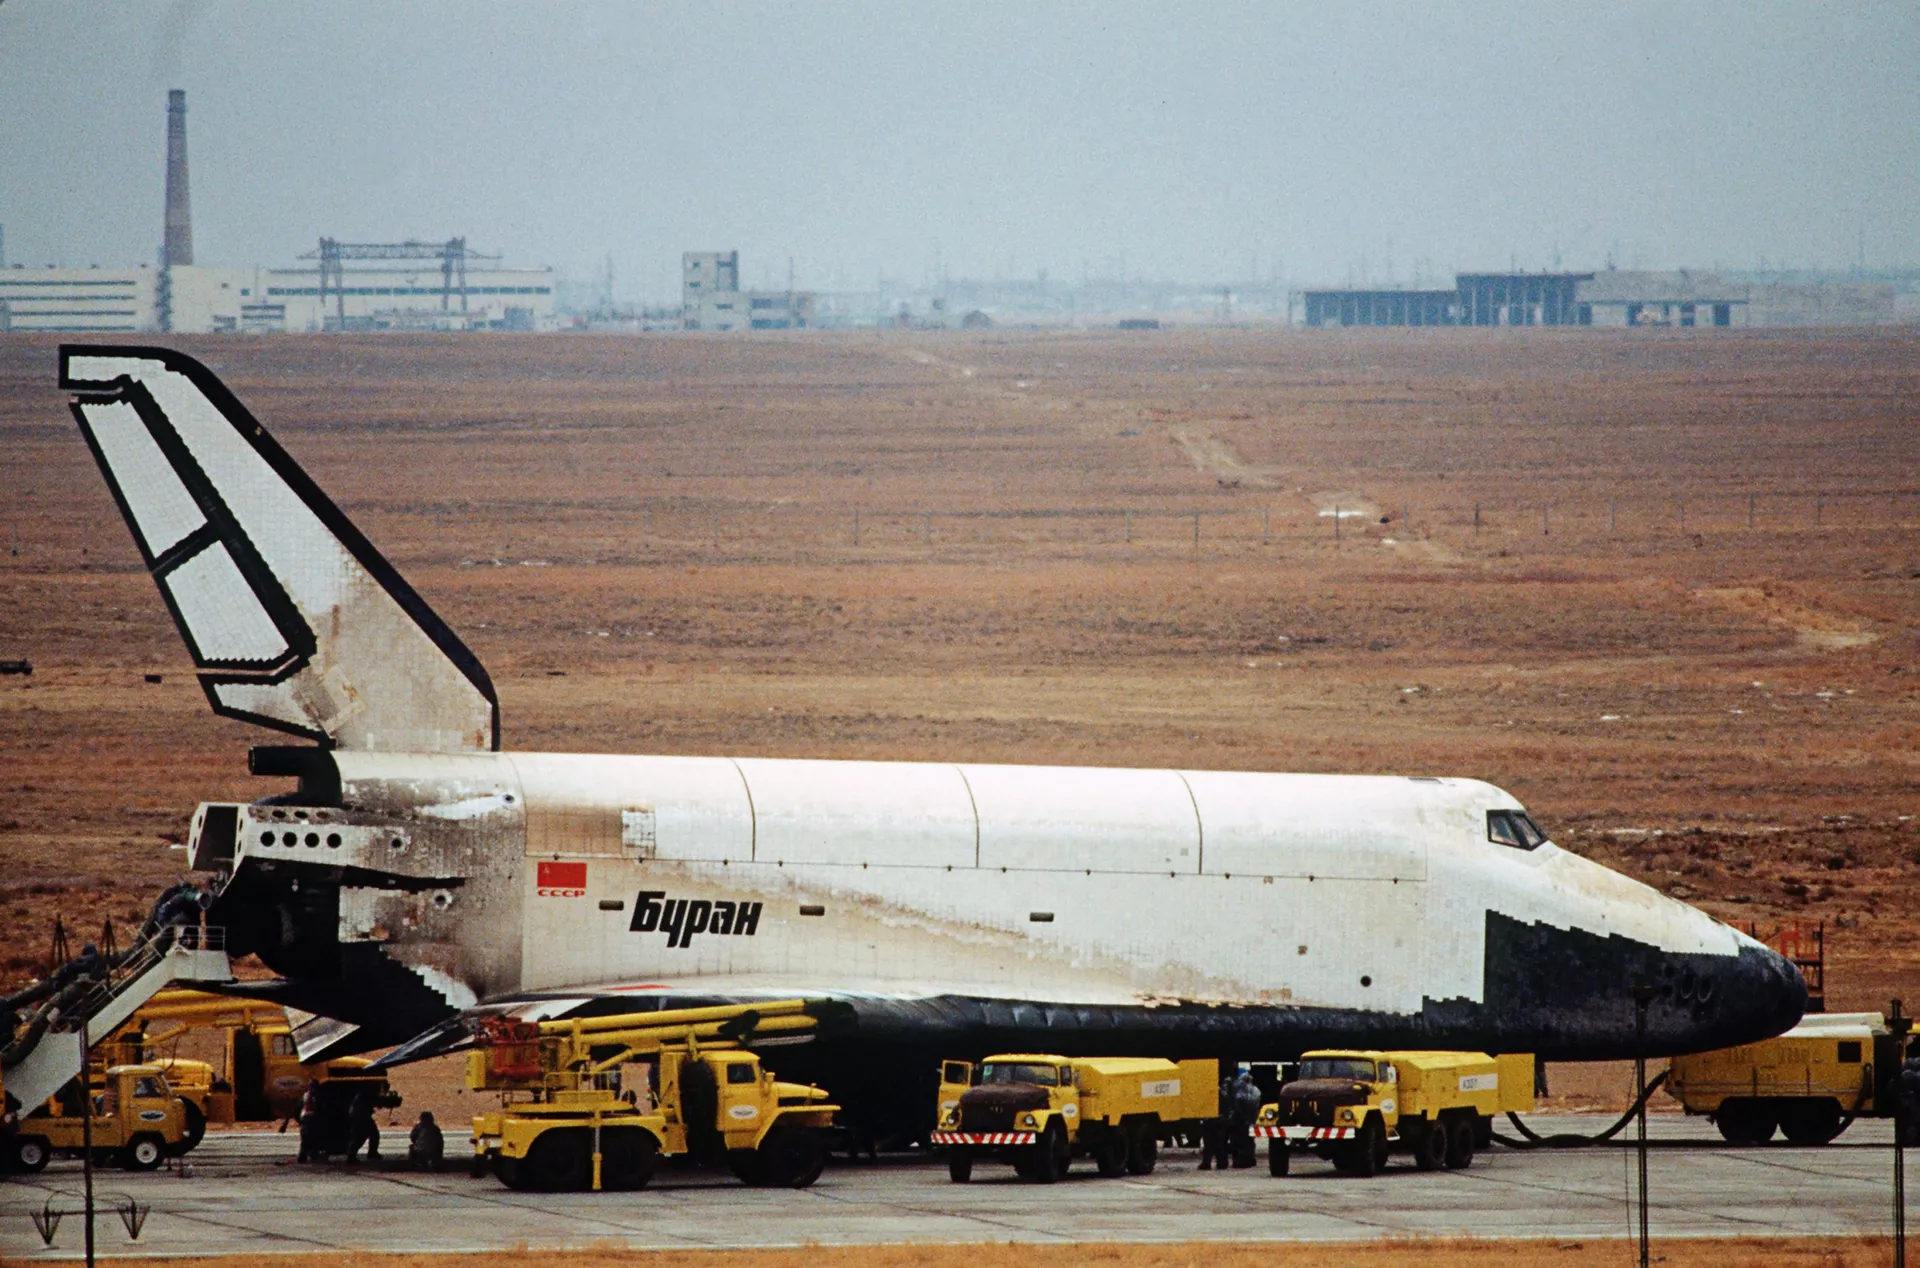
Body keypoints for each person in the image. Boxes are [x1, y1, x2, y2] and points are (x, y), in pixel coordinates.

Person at [1199, 1071, 1234, 1170]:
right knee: (1220, 1143)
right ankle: (1222, 1163)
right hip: (1220, 1120)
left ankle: (1207, 1164)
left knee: (1209, 1143)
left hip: (1212, 1120)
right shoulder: (1224, 1093)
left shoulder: (1213, 1093)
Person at [345, 1087, 381, 1163]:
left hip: (360, 1115)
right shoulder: (367, 1093)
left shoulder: (362, 1094)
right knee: (361, 1136)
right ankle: (352, 1156)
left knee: (371, 1134)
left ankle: (371, 1152)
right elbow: (376, 1102)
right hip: (361, 1116)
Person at [296, 1081, 320, 1162]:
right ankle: (309, 1156)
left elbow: (298, 1107)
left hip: (306, 1120)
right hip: (310, 1120)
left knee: (306, 1140)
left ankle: (304, 1156)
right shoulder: (316, 1096)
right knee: (310, 1139)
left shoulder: (305, 1096)